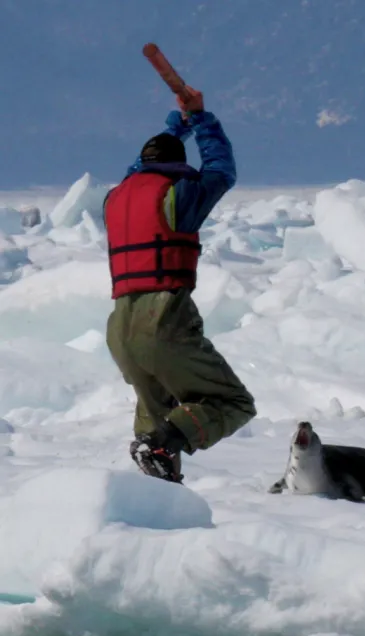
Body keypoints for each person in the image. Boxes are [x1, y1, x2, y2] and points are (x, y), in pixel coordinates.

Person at [104, 86, 257, 484]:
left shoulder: (116, 197)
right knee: (231, 402)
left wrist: (179, 125)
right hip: (164, 318)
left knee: (156, 419)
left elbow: (140, 166)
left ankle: (156, 503)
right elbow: (221, 171)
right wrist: (203, 122)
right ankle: (160, 447)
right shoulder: (177, 197)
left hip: (120, 327)